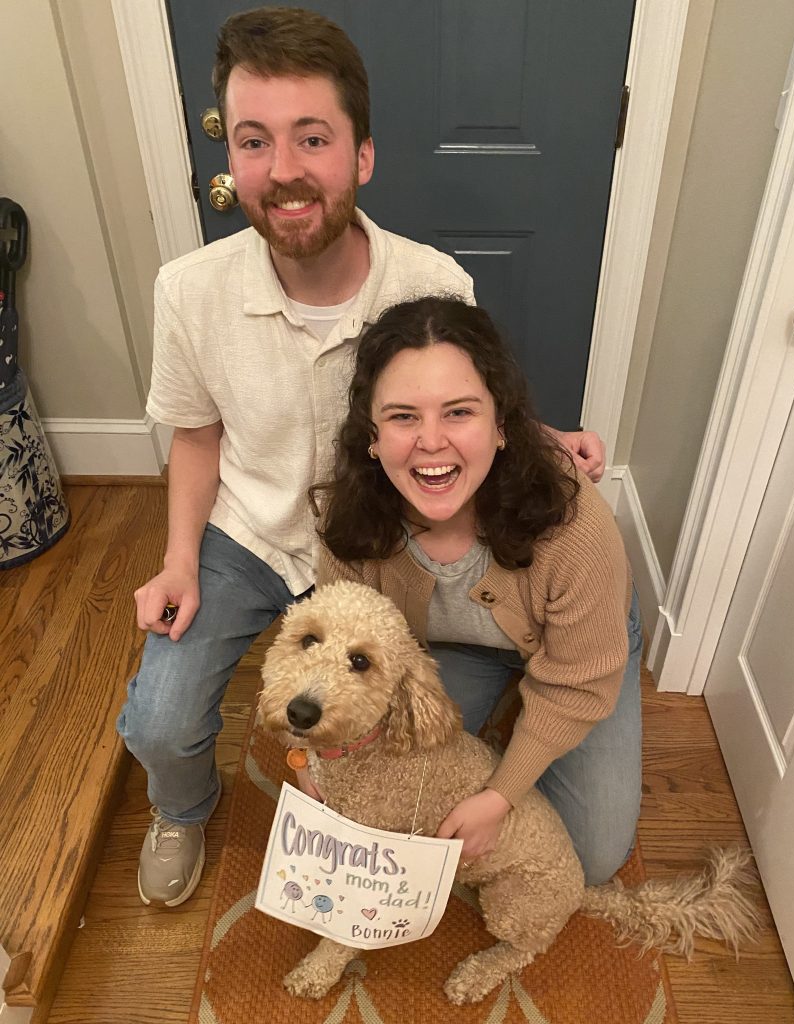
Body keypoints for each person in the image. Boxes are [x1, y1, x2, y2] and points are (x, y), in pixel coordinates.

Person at [118, 6, 607, 908]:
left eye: (313, 138)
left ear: (362, 157)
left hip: (380, 548)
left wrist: (539, 436)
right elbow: (194, 435)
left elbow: (462, 408)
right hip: (248, 538)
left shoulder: (430, 282)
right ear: (232, 160)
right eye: (256, 141)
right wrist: (180, 561)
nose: (286, 170)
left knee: (430, 738)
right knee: (156, 721)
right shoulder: (186, 292)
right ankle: (182, 809)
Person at [314, 297, 642, 885]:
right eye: (403, 417)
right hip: (445, 647)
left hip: (578, 652)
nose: (431, 442)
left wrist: (498, 797)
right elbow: (338, 659)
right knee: (399, 786)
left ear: (501, 425)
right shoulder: (353, 517)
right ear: (370, 434)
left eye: (458, 412)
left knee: (592, 856)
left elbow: (575, 685)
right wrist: (324, 755)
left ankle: (522, 724)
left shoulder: (577, 531)